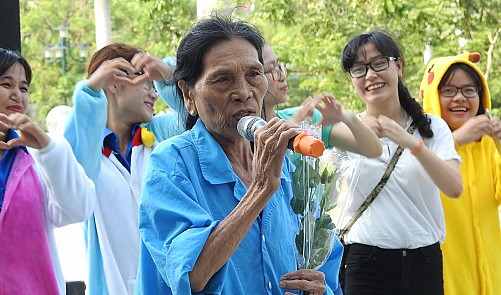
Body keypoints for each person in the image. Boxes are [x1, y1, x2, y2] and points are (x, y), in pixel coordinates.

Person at [135, 15, 342, 294]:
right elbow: (192, 275)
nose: (244, 93)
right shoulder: (172, 164)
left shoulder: (286, 166)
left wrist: (320, 289)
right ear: (188, 96)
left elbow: (323, 260)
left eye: (254, 75)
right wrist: (260, 189)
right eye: (222, 79)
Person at [338, 30, 463, 295]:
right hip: (365, 265)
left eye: (379, 63)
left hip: (424, 263)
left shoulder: (433, 128)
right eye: (358, 69)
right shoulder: (346, 131)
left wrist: (411, 143)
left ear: (398, 66)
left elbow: (454, 187)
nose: (370, 75)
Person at [63, 43, 179, 295]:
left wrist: (169, 77)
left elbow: (203, 118)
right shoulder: (88, 151)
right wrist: (91, 89)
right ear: (114, 82)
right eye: (146, 83)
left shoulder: (160, 137)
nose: (154, 93)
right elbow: (71, 159)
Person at [0, 49, 96, 294]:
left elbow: (79, 209)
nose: (17, 96)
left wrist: (48, 148)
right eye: (6, 84)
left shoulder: (40, 154)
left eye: (24, 88)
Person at [420, 52, 501, 295]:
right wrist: (455, 140)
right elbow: (410, 180)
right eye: (449, 90)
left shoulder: (486, 144)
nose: (460, 98)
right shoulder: (419, 142)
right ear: (433, 95)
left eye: (469, 90)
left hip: (490, 274)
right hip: (443, 274)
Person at [261, 44, 382, 158]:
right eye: (272, 69)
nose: (282, 76)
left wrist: (347, 117)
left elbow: (373, 151)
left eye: (279, 66)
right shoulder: (244, 138)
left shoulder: (306, 120)